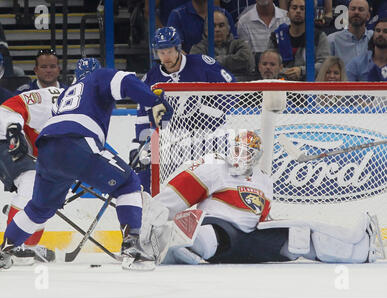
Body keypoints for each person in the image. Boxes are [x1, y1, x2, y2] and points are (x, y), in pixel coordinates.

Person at [0, 57, 173, 270]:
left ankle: (4, 251)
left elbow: (68, 129)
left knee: (38, 209)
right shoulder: (99, 77)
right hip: (77, 144)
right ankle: (132, 248)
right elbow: (126, 81)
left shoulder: (65, 94)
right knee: (128, 183)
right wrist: (154, 101)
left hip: (47, 151)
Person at [151, 130, 384, 265]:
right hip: (220, 229)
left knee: (298, 238)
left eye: (248, 153)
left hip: (251, 240)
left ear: (257, 157)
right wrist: (149, 222)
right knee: (206, 238)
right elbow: (172, 199)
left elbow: (263, 218)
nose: (241, 156)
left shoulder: (264, 180)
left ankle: (360, 249)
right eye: (237, 149)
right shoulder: (213, 166)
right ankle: (164, 247)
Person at [132, 26, 235, 193]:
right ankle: (149, 208)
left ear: (178, 49)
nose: (165, 57)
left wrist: (214, 111)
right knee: (145, 166)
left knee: (218, 178)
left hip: (207, 136)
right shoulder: (151, 78)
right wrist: (142, 141)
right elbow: (143, 115)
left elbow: (231, 87)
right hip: (172, 139)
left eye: (169, 51)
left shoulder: (201, 64)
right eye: (161, 52)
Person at [0, 86, 63, 264]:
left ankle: (28, 245)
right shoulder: (51, 95)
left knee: (44, 198)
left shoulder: (93, 109)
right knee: (31, 184)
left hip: (38, 155)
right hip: (5, 140)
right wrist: (13, 130)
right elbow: (8, 109)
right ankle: (13, 246)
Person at [268, 0, 330, 80]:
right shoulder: (276, 36)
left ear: (309, 13)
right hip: (281, 86)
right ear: (287, 13)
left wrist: (301, 71)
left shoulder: (319, 36)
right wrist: (287, 72)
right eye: (294, 8)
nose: (298, 11)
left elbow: (325, 64)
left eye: (302, 8)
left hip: (310, 87)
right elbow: (268, 63)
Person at [190, 9, 255, 75]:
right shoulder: (197, 49)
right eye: (213, 26)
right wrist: (233, 63)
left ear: (228, 29)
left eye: (221, 25)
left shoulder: (240, 44)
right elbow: (197, 67)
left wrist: (217, 61)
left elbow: (247, 60)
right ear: (206, 31)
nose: (217, 29)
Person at [166, 0, 237, 53]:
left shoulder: (223, 14)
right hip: (191, 68)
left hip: (223, 68)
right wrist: (196, 64)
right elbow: (174, 48)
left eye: (221, 25)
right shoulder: (177, 15)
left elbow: (235, 43)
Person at [328, 0, 372, 66]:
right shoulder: (332, 40)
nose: (356, 12)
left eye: (361, 9)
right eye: (353, 9)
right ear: (347, 13)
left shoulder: (374, 38)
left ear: (368, 16)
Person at [346, 15, 387, 81]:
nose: (380, 34)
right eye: (378, 30)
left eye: (385, 31)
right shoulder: (356, 64)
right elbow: (347, 90)